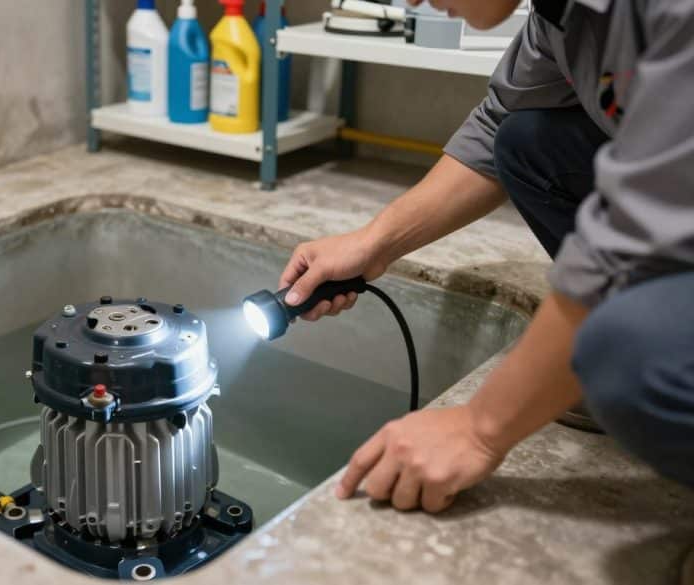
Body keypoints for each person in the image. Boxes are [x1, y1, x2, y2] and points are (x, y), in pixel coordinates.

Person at [279, 0, 694, 514]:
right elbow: (500, 122)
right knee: (527, 139)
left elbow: (640, 228)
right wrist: (374, 242)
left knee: (627, 358)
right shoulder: (561, 17)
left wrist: (480, 428)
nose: (408, 2)